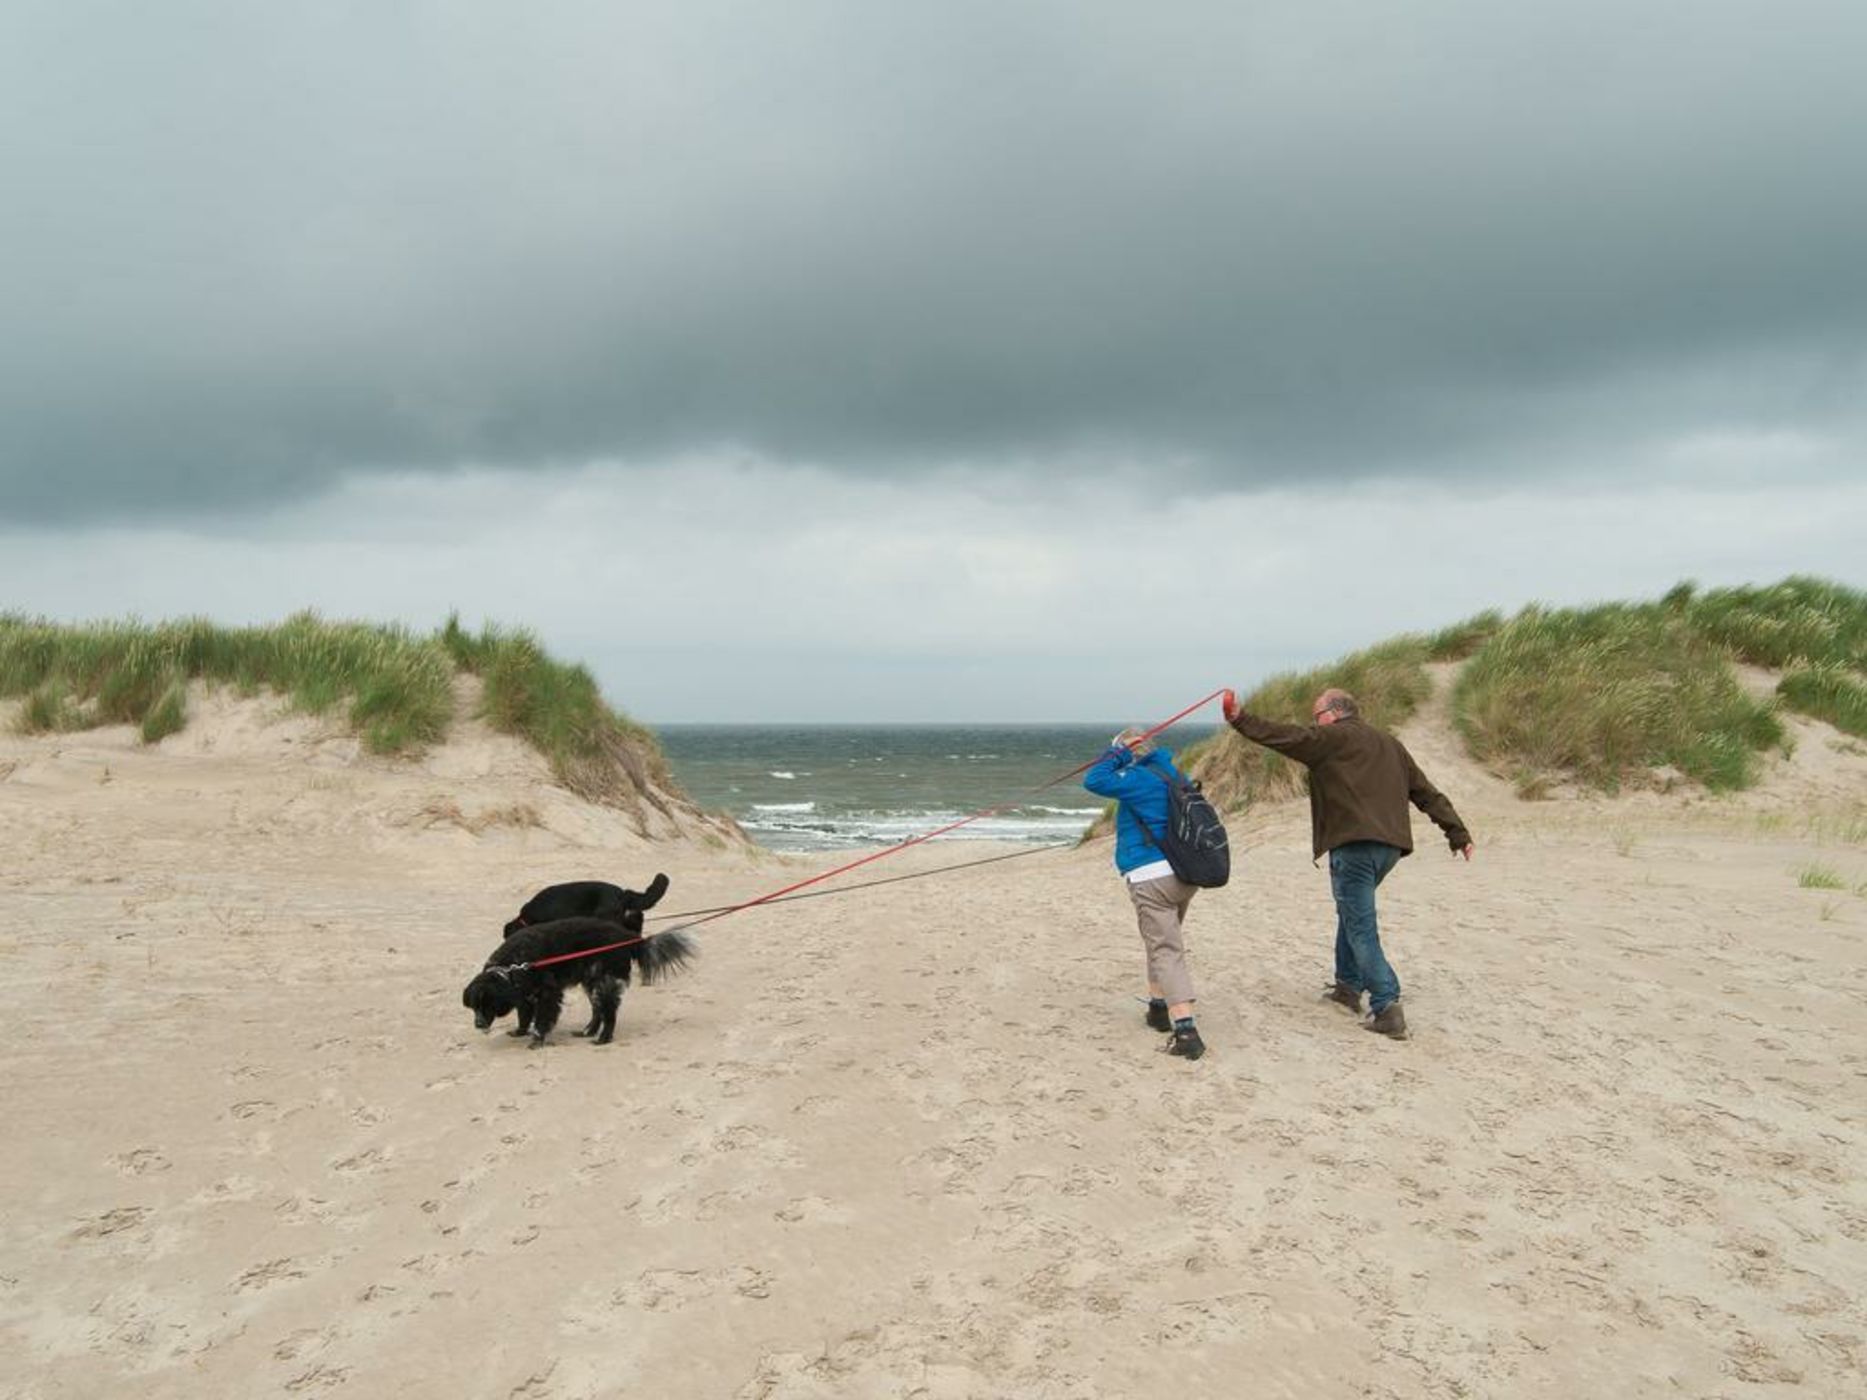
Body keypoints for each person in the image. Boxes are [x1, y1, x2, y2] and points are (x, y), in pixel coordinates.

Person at [1221, 686, 1473, 1040]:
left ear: (1335, 713)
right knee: (1352, 913)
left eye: (1318, 716)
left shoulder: (1334, 737)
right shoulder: (1390, 744)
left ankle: (1386, 1005)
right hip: (1389, 849)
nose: (1315, 723)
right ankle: (1347, 987)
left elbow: (1287, 737)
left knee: (1359, 925)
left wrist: (1239, 719)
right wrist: (1457, 832)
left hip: (1356, 847)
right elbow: (1425, 791)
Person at [1083, 728, 1208, 1061]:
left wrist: (1120, 753)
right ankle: (1157, 1008)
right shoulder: (1172, 772)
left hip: (1152, 876)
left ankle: (1186, 1030)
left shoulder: (1139, 778)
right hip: (1184, 874)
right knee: (1160, 939)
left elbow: (1094, 779)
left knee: (1165, 947)